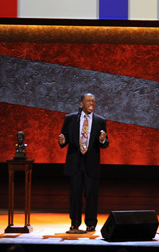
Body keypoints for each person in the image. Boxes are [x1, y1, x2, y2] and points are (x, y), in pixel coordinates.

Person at [58, 93, 109, 234]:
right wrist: (62, 141)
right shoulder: (70, 119)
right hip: (75, 162)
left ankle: (91, 224)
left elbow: (105, 143)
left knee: (91, 194)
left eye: (93, 100)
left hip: (91, 163)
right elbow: (64, 137)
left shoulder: (100, 120)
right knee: (75, 194)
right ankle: (74, 223)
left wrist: (103, 140)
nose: (91, 103)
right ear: (81, 103)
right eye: (88, 101)